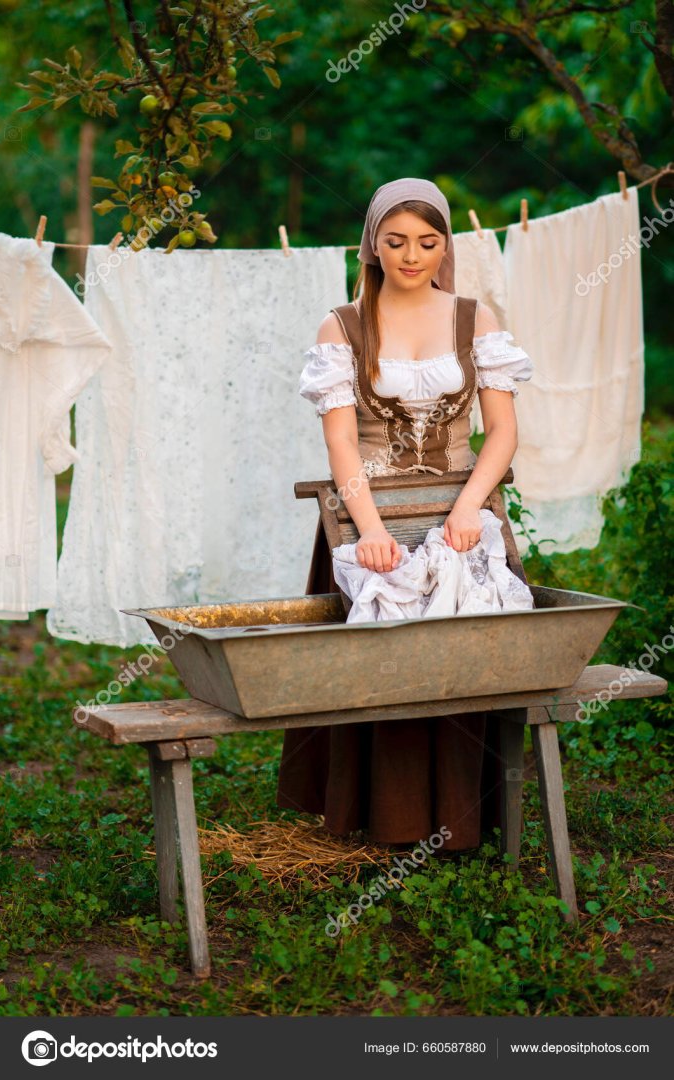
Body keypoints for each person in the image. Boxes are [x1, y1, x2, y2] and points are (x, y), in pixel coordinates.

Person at [277, 177, 533, 852]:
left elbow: (501, 432)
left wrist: (470, 510)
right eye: (395, 241)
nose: (412, 255)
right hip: (371, 512)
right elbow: (339, 440)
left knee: (465, 657)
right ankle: (378, 819)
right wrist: (371, 533)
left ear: (445, 244)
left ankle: (463, 820)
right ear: (373, 244)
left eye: (427, 241)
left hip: (459, 507)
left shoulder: (475, 318)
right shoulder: (343, 325)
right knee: (381, 662)